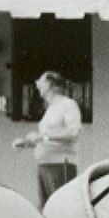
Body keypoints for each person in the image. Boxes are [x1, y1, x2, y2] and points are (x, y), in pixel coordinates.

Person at [12, 71, 82, 207]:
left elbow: (73, 132)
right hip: (45, 164)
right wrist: (28, 143)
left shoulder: (68, 104)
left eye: (40, 80)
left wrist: (43, 137)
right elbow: (47, 139)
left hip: (60, 165)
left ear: (50, 84)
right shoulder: (51, 108)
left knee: (60, 208)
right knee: (47, 208)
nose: (36, 83)